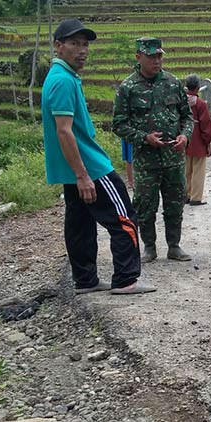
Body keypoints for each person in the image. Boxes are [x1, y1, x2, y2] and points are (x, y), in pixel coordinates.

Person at [42, 19, 155, 296]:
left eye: (85, 44)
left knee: (79, 223)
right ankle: (127, 279)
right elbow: (64, 132)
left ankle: (86, 280)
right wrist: (83, 175)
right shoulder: (63, 81)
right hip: (90, 166)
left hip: (73, 168)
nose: (82, 50)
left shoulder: (58, 77)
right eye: (74, 44)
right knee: (125, 218)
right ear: (59, 46)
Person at [112, 37, 194, 263]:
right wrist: (143, 138)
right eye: (151, 56)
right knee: (145, 206)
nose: (156, 61)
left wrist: (184, 136)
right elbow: (118, 124)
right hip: (146, 161)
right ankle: (149, 247)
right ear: (139, 57)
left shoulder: (173, 82)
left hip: (173, 159)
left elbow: (187, 117)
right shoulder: (128, 88)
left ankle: (174, 246)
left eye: (159, 56)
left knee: (175, 203)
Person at [183, 74, 211, 206]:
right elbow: (205, 125)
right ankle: (196, 197)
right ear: (198, 88)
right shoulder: (200, 104)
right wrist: (208, 143)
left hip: (183, 139)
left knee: (185, 170)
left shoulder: (181, 101)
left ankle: (185, 195)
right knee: (198, 170)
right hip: (198, 140)